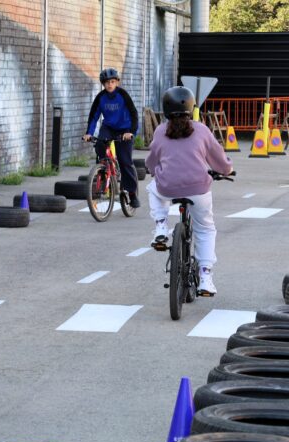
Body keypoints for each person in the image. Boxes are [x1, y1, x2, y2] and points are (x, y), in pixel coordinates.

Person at [145, 86, 233, 296]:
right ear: (192, 107)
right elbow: (218, 158)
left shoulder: (160, 131)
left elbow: (152, 161)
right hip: (198, 189)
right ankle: (205, 277)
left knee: (153, 189)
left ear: (166, 109)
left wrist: (152, 170)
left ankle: (161, 226)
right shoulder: (201, 130)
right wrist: (227, 169)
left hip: (167, 187)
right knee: (205, 229)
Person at [83, 68, 141, 208]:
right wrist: (89, 133)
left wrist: (131, 132)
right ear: (103, 84)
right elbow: (94, 116)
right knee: (99, 145)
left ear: (117, 82)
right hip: (108, 128)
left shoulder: (123, 95)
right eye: (107, 82)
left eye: (113, 82)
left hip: (125, 129)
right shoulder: (100, 98)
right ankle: (104, 170)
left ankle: (132, 193)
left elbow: (134, 114)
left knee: (125, 161)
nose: (110, 85)